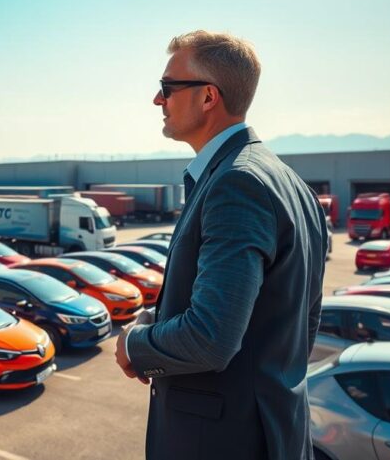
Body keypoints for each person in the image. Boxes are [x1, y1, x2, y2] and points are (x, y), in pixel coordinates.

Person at [114, 30, 327, 459]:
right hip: (272, 432)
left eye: (167, 87)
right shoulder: (291, 183)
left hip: (222, 442)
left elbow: (210, 337)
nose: (158, 99)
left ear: (209, 96)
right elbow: (292, 324)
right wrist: (158, 321)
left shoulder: (237, 182)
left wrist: (135, 345)